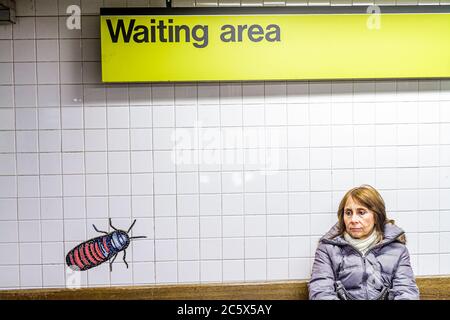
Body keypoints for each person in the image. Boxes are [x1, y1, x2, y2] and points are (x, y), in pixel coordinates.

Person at [308, 185, 420, 300]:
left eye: (361, 212)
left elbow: (406, 292)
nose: (353, 220)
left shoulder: (397, 250)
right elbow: (321, 293)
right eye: (348, 213)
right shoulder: (327, 249)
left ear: (376, 216)